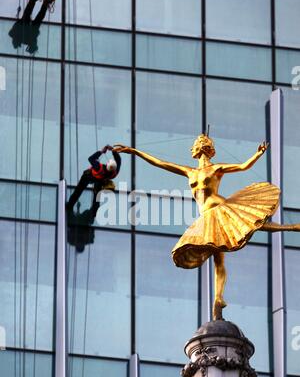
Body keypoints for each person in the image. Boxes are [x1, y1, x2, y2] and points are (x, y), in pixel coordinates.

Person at [114, 135, 300, 320]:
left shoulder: (216, 168)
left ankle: (291, 227)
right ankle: (218, 299)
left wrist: (257, 154)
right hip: (206, 217)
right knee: (219, 259)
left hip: (219, 208)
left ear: (204, 148)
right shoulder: (189, 171)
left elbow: (243, 166)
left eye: (197, 145)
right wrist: (134, 151)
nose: (193, 148)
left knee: (253, 224)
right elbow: (160, 163)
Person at [67, 145, 121, 216]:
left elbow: (90, 158)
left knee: (79, 190)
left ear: (107, 164)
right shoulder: (114, 173)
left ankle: (69, 205)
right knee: (97, 197)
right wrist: (114, 152)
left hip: (88, 177)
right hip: (99, 181)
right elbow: (119, 160)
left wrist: (101, 151)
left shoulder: (98, 167)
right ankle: (94, 213)